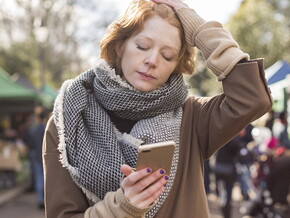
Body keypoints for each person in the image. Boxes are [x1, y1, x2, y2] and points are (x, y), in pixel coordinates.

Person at [43, 0, 272, 217]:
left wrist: (200, 30)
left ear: (176, 66)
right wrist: (122, 207)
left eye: (167, 55)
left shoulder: (193, 118)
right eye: (142, 46)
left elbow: (252, 98)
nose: (152, 60)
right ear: (120, 45)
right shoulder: (69, 118)